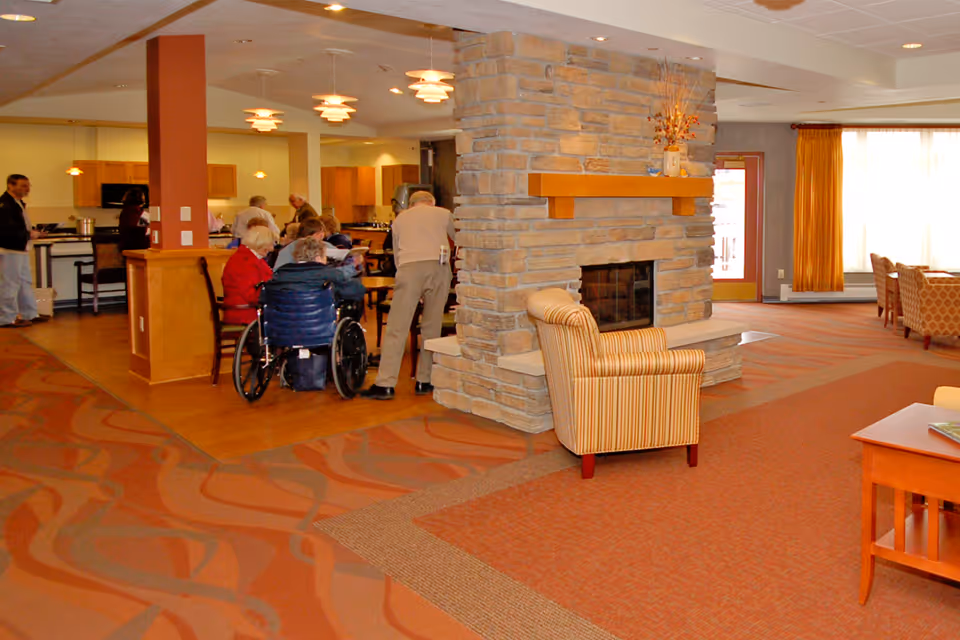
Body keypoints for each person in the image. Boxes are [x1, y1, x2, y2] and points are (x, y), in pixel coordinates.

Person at [361, 190, 454, 400]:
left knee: (397, 327)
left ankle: (385, 384)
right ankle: (425, 380)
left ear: (410, 205)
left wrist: (406, 281)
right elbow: (461, 238)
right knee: (432, 326)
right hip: (439, 268)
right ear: (432, 202)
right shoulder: (444, 213)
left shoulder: (400, 219)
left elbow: (396, 254)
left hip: (409, 269)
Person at [0, 174, 48, 328]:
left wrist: (33, 232)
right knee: (10, 284)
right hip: (9, 249)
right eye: (22, 185)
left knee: (24, 282)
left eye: (28, 186)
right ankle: (6, 318)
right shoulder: (5, 204)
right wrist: (29, 234)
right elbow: (6, 229)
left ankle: (30, 314)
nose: (26, 189)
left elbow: (19, 225)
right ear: (10, 186)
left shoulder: (17, 203)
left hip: (20, 248)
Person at [272, 237, 366, 304]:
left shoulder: (280, 274)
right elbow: (358, 290)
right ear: (318, 258)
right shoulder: (330, 274)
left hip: (283, 327)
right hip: (321, 326)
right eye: (325, 256)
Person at [221, 225, 277, 326]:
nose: (271, 249)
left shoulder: (247, 258)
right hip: (247, 314)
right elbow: (252, 295)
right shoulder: (244, 262)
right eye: (269, 244)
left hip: (251, 311)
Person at [117, 188, 150, 253]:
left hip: (126, 247)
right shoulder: (142, 214)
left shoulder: (125, 212)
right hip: (140, 247)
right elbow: (148, 230)